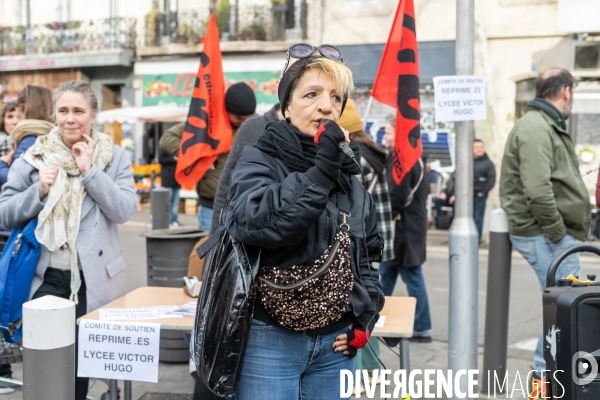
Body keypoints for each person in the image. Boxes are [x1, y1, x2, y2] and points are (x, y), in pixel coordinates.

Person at [221, 54, 384, 399]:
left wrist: (366, 313)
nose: (326, 106)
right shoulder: (259, 159)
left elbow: (366, 253)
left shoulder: (350, 177)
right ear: (286, 108)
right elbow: (265, 226)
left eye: (335, 97)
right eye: (312, 95)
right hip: (270, 341)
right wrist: (322, 169)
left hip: (335, 349)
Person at [0, 80, 138, 400]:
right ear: (54, 115)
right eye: (63, 111)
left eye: (79, 111)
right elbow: (5, 212)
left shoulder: (114, 157)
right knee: (45, 366)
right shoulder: (35, 156)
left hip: (96, 281)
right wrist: (39, 191)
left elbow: (125, 209)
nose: (70, 118)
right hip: (45, 278)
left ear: (93, 116)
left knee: (81, 369)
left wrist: (90, 172)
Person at [500, 68, 590, 393]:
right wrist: (557, 233)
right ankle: (545, 383)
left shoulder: (542, 122)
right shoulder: (537, 126)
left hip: (545, 230)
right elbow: (537, 191)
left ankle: (550, 381)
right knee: (561, 308)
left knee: (561, 307)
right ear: (566, 92)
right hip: (543, 231)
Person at [338, 99, 392, 392]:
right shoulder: (375, 152)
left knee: (361, 305)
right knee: (372, 303)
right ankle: (372, 371)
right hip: (380, 234)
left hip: (361, 240)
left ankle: (363, 374)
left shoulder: (355, 161)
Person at [159, 82, 257, 229]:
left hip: (246, 208)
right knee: (210, 251)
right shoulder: (206, 122)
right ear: (226, 110)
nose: (243, 123)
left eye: (247, 118)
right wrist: (197, 155)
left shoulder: (257, 123)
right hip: (211, 207)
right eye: (238, 118)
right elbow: (167, 139)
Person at [379, 118, 432, 342]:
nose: (384, 136)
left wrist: (378, 218)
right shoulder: (409, 157)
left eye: (388, 132)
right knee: (385, 274)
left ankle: (422, 327)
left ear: (398, 136)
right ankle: (377, 316)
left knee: (411, 276)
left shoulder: (403, 160)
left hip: (404, 229)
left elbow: (396, 197)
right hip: (407, 227)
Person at [0, 85, 54, 187]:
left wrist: (1, 165)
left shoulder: (30, 138)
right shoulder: (46, 134)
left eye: (20, 106)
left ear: (25, 108)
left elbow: (15, 179)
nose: (16, 119)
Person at [473, 139, 496, 240]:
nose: (479, 150)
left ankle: (476, 241)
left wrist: (483, 192)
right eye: (476, 147)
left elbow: (492, 180)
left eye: (481, 147)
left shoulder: (488, 163)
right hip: (467, 195)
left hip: (479, 196)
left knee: (478, 218)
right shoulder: (468, 161)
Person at [158, 147, 181, 227]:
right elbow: (160, 159)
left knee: (175, 202)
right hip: (167, 179)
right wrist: (173, 159)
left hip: (177, 179)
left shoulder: (178, 146)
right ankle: (166, 220)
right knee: (168, 202)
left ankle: (174, 220)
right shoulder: (163, 146)